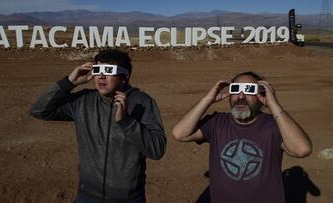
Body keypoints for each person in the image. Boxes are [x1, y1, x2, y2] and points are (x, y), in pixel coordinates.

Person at [30, 49, 166, 203]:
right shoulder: (83, 101)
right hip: (87, 196)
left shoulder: (142, 102)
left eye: (108, 71)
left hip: (127, 199)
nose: (101, 76)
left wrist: (126, 122)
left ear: (124, 76)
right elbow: (39, 111)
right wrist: (68, 82)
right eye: (97, 70)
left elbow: (157, 149)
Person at [171, 71, 312, 203]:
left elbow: (302, 150)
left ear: (261, 95)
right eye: (236, 89)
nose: (241, 96)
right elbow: (180, 134)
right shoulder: (217, 123)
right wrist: (207, 100)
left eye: (249, 90)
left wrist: (273, 104)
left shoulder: (274, 125)